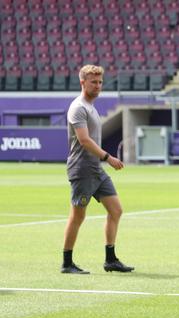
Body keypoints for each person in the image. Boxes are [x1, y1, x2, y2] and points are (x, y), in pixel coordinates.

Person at [61, 65, 133, 274]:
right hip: (82, 169)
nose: (98, 86)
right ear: (83, 82)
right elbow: (84, 140)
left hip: (95, 169)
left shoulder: (91, 107)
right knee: (77, 216)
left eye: (100, 82)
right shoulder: (78, 107)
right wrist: (107, 157)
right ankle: (67, 263)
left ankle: (110, 260)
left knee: (116, 210)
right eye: (94, 82)